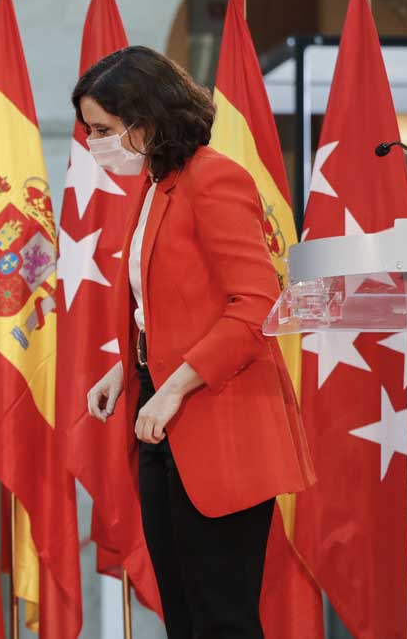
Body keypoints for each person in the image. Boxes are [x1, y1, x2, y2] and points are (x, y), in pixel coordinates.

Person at [79, 46, 315, 639]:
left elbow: (255, 305)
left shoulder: (214, 178)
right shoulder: (158, 185)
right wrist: (128, 369)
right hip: (163, 417)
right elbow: (164, 302)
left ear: (147, 119)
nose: (94, 143)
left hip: (218, 421)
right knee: (183, 615)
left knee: (221, 621)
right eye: (88, 131)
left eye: (104, 130)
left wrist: (174, 386)